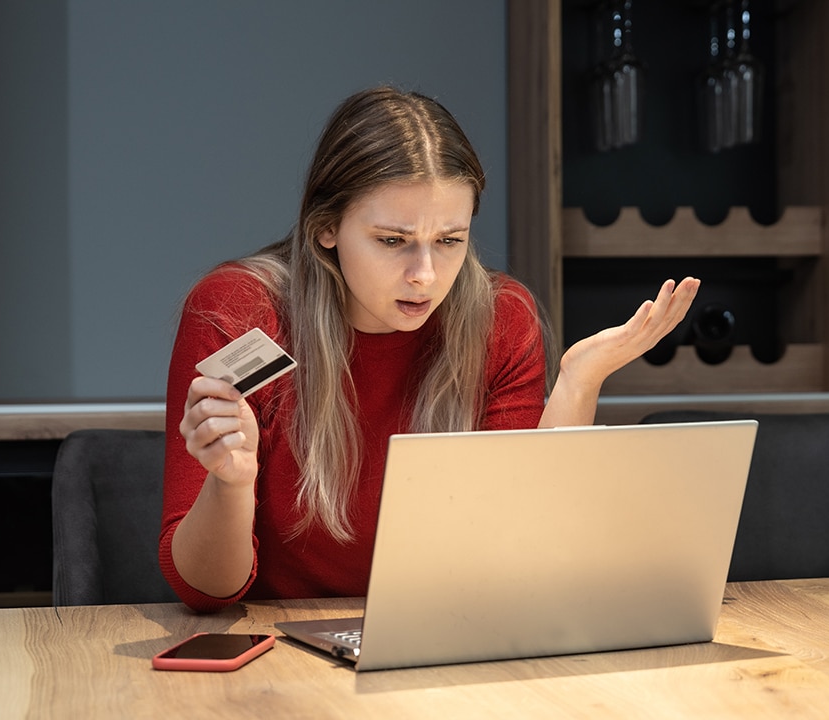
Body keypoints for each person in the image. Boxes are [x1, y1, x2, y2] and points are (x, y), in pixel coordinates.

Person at [160, 86, 699, 612]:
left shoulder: (500, 317)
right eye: (392, 241)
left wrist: (580, 382)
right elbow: (206, 591)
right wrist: (232, 482)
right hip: (280, 648)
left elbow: (521, 556)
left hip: (445, 628)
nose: (425, 276)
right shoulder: (238, 310)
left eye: (450, 241)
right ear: (325, 227)